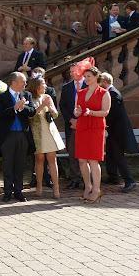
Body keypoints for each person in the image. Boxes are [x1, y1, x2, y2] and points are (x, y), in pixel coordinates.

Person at [0, 72, 36, 202]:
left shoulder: (27, 95)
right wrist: (14, 108)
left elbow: (33, 111)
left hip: (23, 134)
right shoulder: (1, 97)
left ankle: (18, 191)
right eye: (23, 81)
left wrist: (23, 108)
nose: (25, 84)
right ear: (14, 83)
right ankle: (7, 191)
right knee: (8, 164)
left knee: (20, 164)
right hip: (8, 135)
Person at [74, 66, 111, 204]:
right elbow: (76, 110)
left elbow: (105, 112)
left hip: (95, 128)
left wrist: (91, 113)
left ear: (96, 77)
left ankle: (96, 189)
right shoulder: (80, 93)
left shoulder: (104, 93)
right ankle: (88, 186)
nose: (86, 79)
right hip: (82, 126)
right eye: (85, 76)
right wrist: (77, 113)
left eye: (89, 76)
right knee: (82, 160)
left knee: (93, 160)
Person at [100, 72, 138, 192]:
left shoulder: (113, 93)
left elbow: (113, 113)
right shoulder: (112, 92)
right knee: (110, 154)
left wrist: (105, 123)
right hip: (114, 131)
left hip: (118, 132)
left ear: (104, 82)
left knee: (118, 155)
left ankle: (130, 180)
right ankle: (113, 177)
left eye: (100, 82)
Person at [27, 77, 64, 198]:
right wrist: (42, 106)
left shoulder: (47, 97)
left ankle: (56, 188)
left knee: (52, 159)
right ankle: (39, 186)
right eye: (43, 84)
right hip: (37, 132)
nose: (46, 86)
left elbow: (55, 114)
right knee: (39, 160)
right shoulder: (30, 98)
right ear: (37, 86)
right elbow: (30, 115)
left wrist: (50, 107)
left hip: (49, 131)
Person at [59, 61, 88, 190]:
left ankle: (88, 179)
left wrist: (81, 120)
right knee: (73, 153)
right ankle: (75, 179)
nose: (71, 73)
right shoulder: (67, 88)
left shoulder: (88, 85)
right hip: (72, 126)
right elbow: (63, 106)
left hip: (86, 125)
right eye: (70, 71)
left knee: (86, 153)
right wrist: (71, 120)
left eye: (74, 71)